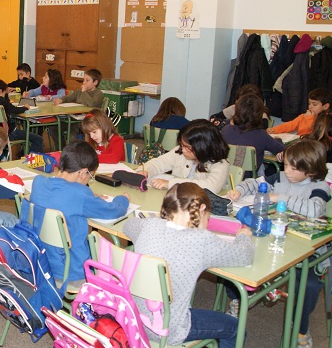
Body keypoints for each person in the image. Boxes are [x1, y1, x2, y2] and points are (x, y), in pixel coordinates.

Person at [227, 139, 330, 347]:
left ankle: (300, 328)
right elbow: (256, 183)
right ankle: (237, 299)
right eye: (286, 165)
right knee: (237, 255)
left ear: (311, 170)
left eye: (294, 168)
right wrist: (239, 190)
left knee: (308, 285)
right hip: (272, 242)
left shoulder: (319, 187)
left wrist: (279, 197)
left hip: (305, 254)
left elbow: (314, 209)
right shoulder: (281, 177)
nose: (287, 171)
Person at [124, 183, 254, 348]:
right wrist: (244, 236)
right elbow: (245, 256)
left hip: (131, 317)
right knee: (236, 328)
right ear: (202, 209)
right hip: (168, 329)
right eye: (208, 217)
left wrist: (158, 224)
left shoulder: (148, 225)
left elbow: (128, 226)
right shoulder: (202, 240)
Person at [29, 141, 129, 287]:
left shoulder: (38, 182)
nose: (89, 180)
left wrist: (90, 197)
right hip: (73, 272)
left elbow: (63, 194)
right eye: (90, 176)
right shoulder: (81, 194)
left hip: (41, 264)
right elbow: (114, 210)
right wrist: (123, 199)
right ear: (82, 173)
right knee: (115, 257)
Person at [141, 119, 230, 192]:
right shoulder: (180, 151)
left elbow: (211, 187)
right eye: (182, 144)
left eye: (188, 147)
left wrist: (170, 183)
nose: (183, 150)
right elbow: (159, 163)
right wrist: (145, 171)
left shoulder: (220, 163)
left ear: (203, 147)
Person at [221, 95, 284, 176]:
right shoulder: (261, 135)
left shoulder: (226, 130)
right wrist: (278, 140)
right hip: (249, 179)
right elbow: (282, 150)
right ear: (259, 115)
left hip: (227, 176)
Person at [0, 79, 43, 154]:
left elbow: (7, 104)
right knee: (38, 139)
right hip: (10, 132)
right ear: (0, 91)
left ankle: (23, 153)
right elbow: (14, 110)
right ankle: (31, 157)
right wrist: (25, 107)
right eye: (4, 92)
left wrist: (6, 93)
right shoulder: (2, 101)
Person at [268, 88, 332, 136]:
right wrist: (273, 130)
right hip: (301, 144)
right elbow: (289, 125)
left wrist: (310, 118)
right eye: (309, 103)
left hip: (313, 146)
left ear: (325, 106)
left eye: (314, 104)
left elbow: (316, 134)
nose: (310, 107)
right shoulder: (304, 116)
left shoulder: (328, 120)